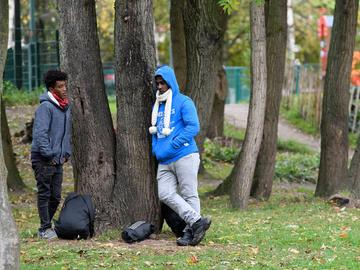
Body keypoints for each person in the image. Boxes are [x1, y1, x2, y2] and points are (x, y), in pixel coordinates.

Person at [149, 65, 211, 246]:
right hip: (164, 160)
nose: (160, 86)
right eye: (157, 83)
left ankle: (189, 233)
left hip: (184, 155)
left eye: (163, 83)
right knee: (165, 194)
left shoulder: (184, 101)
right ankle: (197, 221)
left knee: (189, 194)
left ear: (171, 82)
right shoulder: (157, 106)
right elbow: (155, 131)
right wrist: (156, 149)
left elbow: (193, 126)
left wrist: (173, 144)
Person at [31, 70, 71, 240]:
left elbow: (66, 133)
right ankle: (44, 228)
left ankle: (46, 224)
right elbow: (40, 134)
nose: (64, 89)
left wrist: (66, 152)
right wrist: (49, 154)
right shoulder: (45, 107)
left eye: (65, 85)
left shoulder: (65, 107)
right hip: (43, 159)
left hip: (58, 159)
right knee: (45, 193)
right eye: (60, 86)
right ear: (52, 88)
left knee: (55, 195)